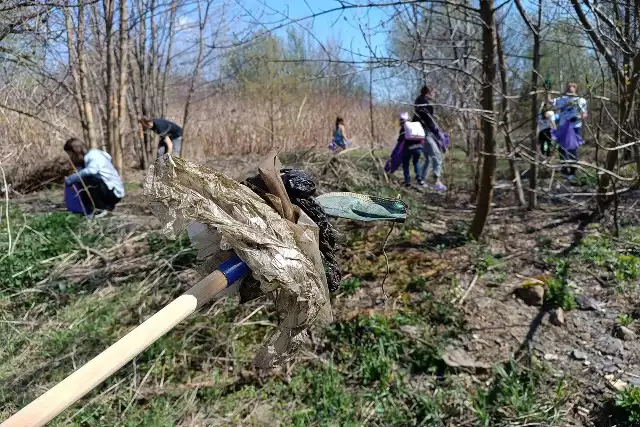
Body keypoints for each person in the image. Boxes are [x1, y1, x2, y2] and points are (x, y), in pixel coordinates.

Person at [63, 138, 124, 211]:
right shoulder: (85, 160)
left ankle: (102, 207)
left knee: (89, 178)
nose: (70, 157)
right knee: (81, 179)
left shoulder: (93, 155)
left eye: (70, 154)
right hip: (107, 190)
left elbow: (92, 171)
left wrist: (71, 178)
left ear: (76, 151)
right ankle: (88, 207)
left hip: (114, 193)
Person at [546, 82, 587, 179]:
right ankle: (564, 169)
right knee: (561, 148)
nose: (570, 88)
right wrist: (548, 90)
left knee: (573, 148)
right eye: (568, 86)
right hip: (563, 125)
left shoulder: (581, 100)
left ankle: (573, 171)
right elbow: (549, 101)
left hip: (574, 126)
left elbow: (584, 114)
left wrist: (577, 117)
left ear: (575, 88)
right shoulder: (562, 99)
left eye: (572, 86)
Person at [413, 86, 446, 191]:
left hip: (420, 134)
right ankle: (437, 182)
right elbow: (429, 122)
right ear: (428, 93)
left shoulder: (418, 103)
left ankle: (421, 181)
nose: (435, 94)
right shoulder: (425, 105)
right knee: (437, 156)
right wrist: (438, 133)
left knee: (428, 159)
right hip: (425, 134)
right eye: (434, 92)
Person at [399, 112, 424, 187]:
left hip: (408, 148)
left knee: (405, 164)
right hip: (419, 148)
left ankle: (408, 181)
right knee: (416, 162)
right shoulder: (415, 126)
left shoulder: (404, 127)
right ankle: (419, 178)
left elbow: (400, 140)